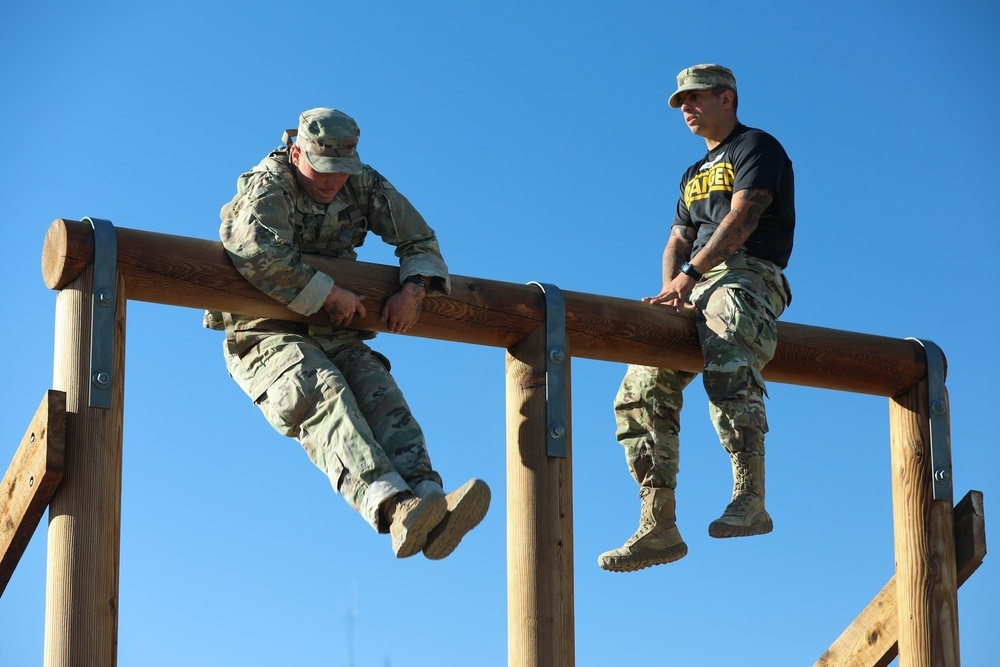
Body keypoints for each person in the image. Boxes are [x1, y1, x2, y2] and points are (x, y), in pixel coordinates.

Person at [205, 107, 490, 560]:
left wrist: (413, 290)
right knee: (323, 392)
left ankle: (430, 500)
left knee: (379, 391)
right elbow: (257, 252)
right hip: (264, 332)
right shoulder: (269, 184)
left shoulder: (362, 182)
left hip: (332, 328)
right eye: (321, 169)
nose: (332, 181)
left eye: (342, 171)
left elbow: (419, 240)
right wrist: (330, 294)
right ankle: (396, 508)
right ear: (296, 153)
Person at [598, 64, 795, 572]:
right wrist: (673, 290)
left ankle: (750, 495)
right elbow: (677, 239)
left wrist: (689, 276)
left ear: (727, 98)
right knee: (640, 382)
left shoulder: (757, 147)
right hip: (692, 282)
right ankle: (658, 524)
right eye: (680, 101)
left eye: (696, 98)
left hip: (747, 274)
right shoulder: (690, 175)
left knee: (728, 338)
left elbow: (743, 218)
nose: (686, 107)